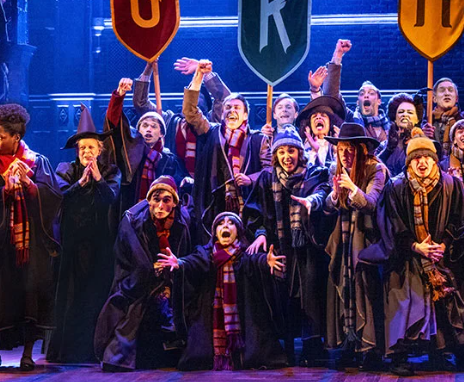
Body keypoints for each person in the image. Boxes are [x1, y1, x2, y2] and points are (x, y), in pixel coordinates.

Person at [361, 128, 464, 376]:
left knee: (444, 300)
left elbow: (460, 220)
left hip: (441, 256)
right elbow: (391, 223)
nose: (422, 162)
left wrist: (444, 244)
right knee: (404, 300)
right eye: (416, 158)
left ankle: (440, 353)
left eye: (427, 157)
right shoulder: (396, 187)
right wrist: (415, 247)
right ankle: (399, 355)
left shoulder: (451, 185)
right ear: (408, 162)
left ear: (435, 160)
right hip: (406, 257)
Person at [241, 125, 332, 366]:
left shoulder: (313, 173)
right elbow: (255, 211)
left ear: (300, 153)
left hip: (308, 248)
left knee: (310, 294)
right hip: (280, 247)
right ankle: (287, 349)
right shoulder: (267, 179)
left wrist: (311, 202)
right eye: (281, 152)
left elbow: (322, 192)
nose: (286, 156)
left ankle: (313, 347)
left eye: (291, 151)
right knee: (285, 297)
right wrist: (260, 233)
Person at [157, 212, 288, 370]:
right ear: (215, 232)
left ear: (238, 231)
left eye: (231, 223)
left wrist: (266, 261)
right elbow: (193, 262)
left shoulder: (244, 255)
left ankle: (237, 357)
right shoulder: (206, 254)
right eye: (221, 223)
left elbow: (256, 260)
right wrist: (180, 262)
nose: (225, 226)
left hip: (242, 316)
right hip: (211, 314)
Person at [47, 105, 121, 363]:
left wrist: (98, 179)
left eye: (91, 147)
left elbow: (111, 198)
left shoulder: (111, 171)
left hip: (100, 244)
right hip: (72, 244)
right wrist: (80, 184)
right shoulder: (65, 169)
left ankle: (92, 350)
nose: (87, 152)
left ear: (100, 150)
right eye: (82, 148)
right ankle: (66, 351)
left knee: (95, 294)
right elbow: (59, 196)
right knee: (70, 295)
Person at [94, 176, 192, 371]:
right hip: (136, 278)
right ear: (148, 200)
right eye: (156, 199)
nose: (161, 206)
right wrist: (154, 275)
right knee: (134, 308)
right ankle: (118, 358)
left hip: (168, 277)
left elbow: (185, 252)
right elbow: (133, 259)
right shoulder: (132, 220)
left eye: (166, 200)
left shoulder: (182, 220)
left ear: (174, 202)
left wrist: (171, 276)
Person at [0, 104, 62, 371]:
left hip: (30, 244)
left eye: (1, 136)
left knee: (30, 296)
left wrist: (30, 186)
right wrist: (4, 190)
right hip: (3, 244)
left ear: (16, 137)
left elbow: (53, 198)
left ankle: (27, 353)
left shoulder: (36, 162)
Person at [323, 123, 389, 369]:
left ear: (361, 149)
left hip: (367, 240)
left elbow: (371, 203)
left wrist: (352, 188)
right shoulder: (336, 169)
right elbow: (329, 207)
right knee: (345, 289)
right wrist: (333, 196)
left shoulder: (376, 169)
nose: (345, 154)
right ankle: (349, 344)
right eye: (341, 149)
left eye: (350, 149)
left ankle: (371, 349)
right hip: (343, 240)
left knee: (366, 292)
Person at [182, 65, 271, 242]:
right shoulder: (210, 131)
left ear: (245, 115)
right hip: (214, 204)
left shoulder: (258, 140)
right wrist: (199, 76)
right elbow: (190, 112)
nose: (231, 111)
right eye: (228, 107)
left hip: (248, 207)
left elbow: (270, 171)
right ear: (222, 113)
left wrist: (251, 179)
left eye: (237, 108)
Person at [133, 58, 231, 178]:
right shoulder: (169, 121)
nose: (193, 104)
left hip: (204, 181)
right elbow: (141, 103)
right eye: (191, 99)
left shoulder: (211, 124)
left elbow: (225, 100)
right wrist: (148, 69)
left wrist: (205, 74)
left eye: (197, 101)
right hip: (172, 180)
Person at [104, 77, 188, 217]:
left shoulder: (169, 159)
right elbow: (114, 124)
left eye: (153, 126)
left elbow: (177, 182)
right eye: (145, 125)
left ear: (161, 134)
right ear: (138, 130)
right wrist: (119, 95)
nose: (148, 129)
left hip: (159, 213)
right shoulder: (130, 151)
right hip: (130, 210)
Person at [311, 39, 389, 147]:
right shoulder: (351, 120)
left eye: (371, 93)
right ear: (357, 102)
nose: (366, 95)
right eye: (362, 94)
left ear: (379, 101)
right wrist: (337, 56)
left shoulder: (390, 127)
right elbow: (332, 96)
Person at [377, 92, 424, 177]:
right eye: (401, 112)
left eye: (410, 112)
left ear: (417, 119)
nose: (405, 115)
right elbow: (373, 168)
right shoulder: (383, 146)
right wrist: (388, 150)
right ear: (394, 118)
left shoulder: (424, 145)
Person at [295, 95, 346, 168]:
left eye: (323, 115)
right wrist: (314, 151)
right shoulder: (302, 148)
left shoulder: (338, 147)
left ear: (331, 124)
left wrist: (337, 151)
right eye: (314, 116)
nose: (318, 117)